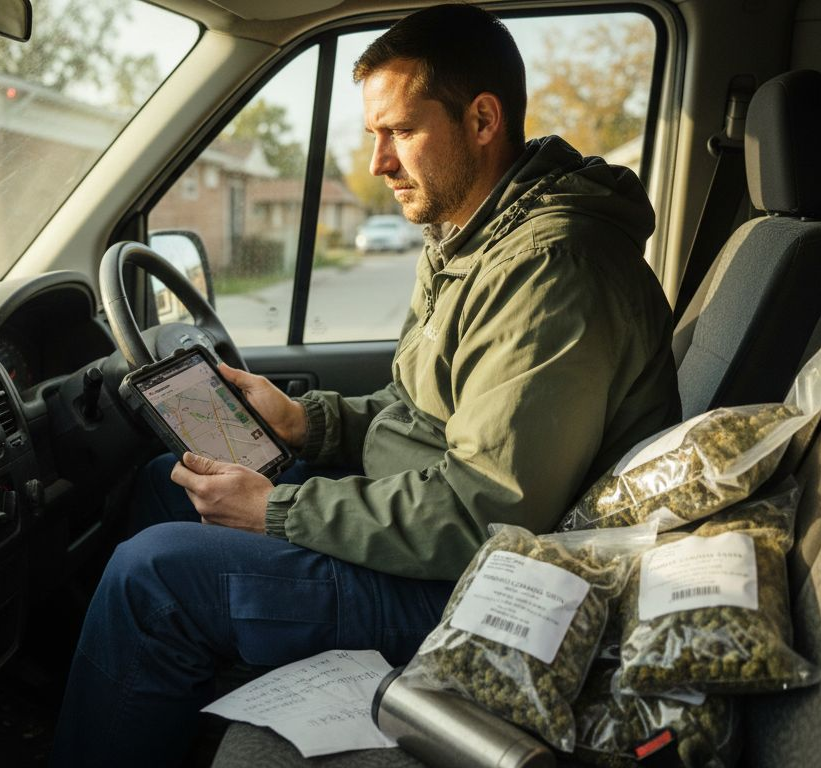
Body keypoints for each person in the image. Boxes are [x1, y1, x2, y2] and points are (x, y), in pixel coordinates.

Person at [51, 5, 679, 765]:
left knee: (149, 579)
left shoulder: (549, 270)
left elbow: (486, 513)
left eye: (401, 132)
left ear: (483, 120)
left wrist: (278, 510)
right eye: (373, 135)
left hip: (485, 588)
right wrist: (303, 424)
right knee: (164, 483)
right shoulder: (470, 238)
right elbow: (420, 410)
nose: (378, 161)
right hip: (437, 528)